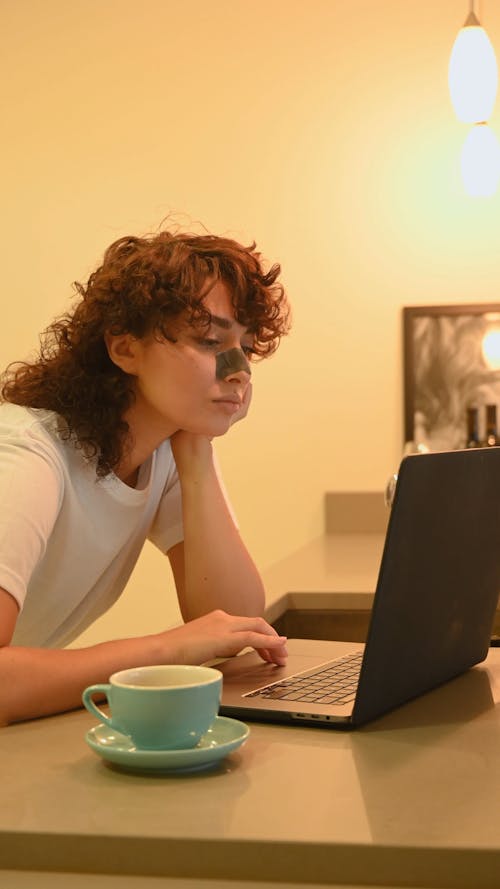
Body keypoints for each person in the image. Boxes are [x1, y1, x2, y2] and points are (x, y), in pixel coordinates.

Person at [0, 227, 291, 726]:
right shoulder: (27, 455)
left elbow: (234, 619)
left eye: (245, 346)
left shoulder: (167, 449)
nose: (238, 369)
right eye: (209, 340)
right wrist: (166, 649)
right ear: (125, 350)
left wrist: (196, 450)